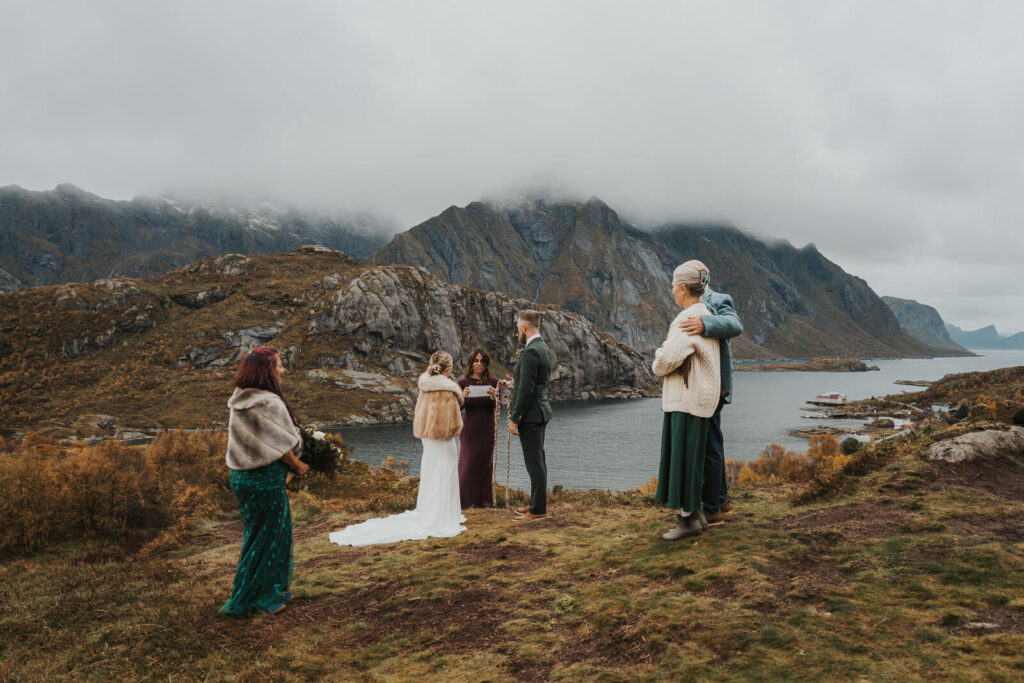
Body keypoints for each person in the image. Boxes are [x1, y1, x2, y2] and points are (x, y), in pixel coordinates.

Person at [329, 351, 466, 546]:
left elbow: (419, 412)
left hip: (428, 438)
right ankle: (444, 516)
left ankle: (431, 513)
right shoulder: (448, 389)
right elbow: (453, 422)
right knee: (445, 473)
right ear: (449, 368)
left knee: (431, 473)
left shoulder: (425, 384)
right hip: (443, 439)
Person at [220, 346, 309, 618]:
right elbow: (284, 444)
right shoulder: (270, 402)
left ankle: (269, 589)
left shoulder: (240, 398)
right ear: (268, 370)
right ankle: (258, 600)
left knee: (260, 535)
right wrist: (298, 465)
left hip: (242, 477)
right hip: (265, 479)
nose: (284, 370)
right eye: (280, 365)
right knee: (269, 537)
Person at [652, 262, 721, 541]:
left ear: (683, 288)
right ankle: (696, 516)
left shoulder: (688, 319)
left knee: (682, 461)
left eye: (672, 286)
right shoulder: (705, 315)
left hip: (686, 399)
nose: (672, 291)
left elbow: (664, 362)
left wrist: (659, 353)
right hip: (699, 398)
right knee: (694, 460)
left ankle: (688, 519)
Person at [679, 277, 744, 526]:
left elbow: (735, 325)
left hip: (715, 385)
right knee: (713, 440)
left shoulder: (717, 300)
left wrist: (705, 323)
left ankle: (712, 508)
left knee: (709, 446)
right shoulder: (691, 306)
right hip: (705, 383)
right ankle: (720, 500)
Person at [507, 309, 553, 520]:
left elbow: (527, 390)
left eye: (518, 325)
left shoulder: (532, 351)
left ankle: (538, 510)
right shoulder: (543, 348)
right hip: (540, 410)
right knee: (538, 461)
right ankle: (536, 503)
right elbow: (532, 383)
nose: (517, 328)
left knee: (534, 463)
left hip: (532, 414)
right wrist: (515, 385)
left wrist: (515, 418)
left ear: (524, 327)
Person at [457, 348, 499, 509]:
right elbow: (456, 408)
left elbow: (501, 406)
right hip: (469, 430)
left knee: (484, 465)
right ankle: (463, 502)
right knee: (467, 464)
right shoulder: (462, 383)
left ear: (486, 363)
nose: (479, 364)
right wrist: (463, 398)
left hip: (487, 430)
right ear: (471, 363)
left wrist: (495, 397)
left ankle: (484, 502)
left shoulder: (494, 382)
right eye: (476, 360)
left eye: (482, 361)